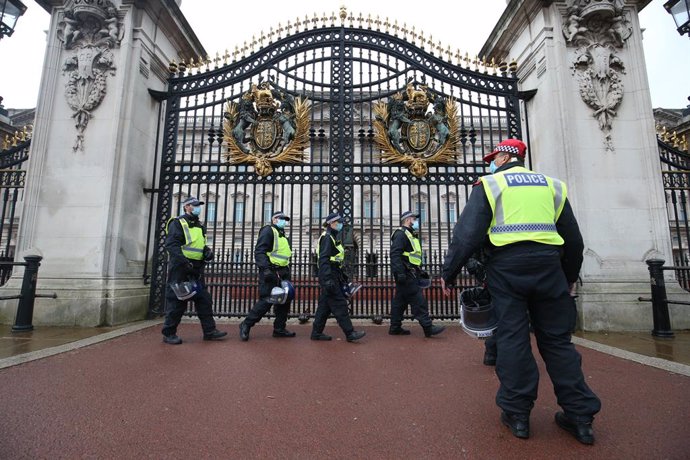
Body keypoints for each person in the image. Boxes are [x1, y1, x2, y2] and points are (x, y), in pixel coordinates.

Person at [440, 139, 601, 444]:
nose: (491, 162)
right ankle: (580, 416)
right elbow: (574, 240)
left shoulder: (490, 184)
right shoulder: (551, 186)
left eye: (493, 157)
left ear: (502, 156)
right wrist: (569, 276)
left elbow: (466, 236)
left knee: (513, 338)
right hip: (549, 268)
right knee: (557, 342)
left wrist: (448, 274)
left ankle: (518, 414)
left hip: (507, 268)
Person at [162, 196, 227, 344]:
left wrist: (207, 251)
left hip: (196, 268)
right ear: (186, 207)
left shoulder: (199, 225)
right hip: (181, 267)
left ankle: (209, 331)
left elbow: (199, 245)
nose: (198, 207)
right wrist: (184, 262)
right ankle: (169, 333)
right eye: (195, 205)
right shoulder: (177, 222)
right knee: (178, 301)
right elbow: (172, 245)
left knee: (204, 299)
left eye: (199, 205)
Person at [239, 211, 297, 341]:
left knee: (284, 302)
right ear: (274, 219)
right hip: (271, 271)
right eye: (282, 219)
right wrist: (265, 269)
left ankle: (279, 329)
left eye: (286, 219)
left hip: (283, 272)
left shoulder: (282, 235)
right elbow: (260, 251)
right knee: (266, 301)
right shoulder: (268, 230)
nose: (284, 222)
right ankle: (246, 324)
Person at [311, 212, 366, 342]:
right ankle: (350, 333)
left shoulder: (333, 237)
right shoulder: (327, 237)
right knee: (340, 304)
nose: (341, 224)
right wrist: (328, 278)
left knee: (324, 307)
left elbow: (334, 259)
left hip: (333, 273)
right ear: (331, 223)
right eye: (339, 222)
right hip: (329, 274)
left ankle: (316, 333)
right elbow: (324, 259)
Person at [389, 211, 445, 337]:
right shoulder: (401, 234)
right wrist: (400, 273)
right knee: (418, 300)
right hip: (406, 274)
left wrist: (419, 270)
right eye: (414, 219)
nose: (416, 221)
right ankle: (428, 327)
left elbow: (411, 256)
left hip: (410, 272)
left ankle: (395, 327)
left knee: (400, 301)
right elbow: (395, 254)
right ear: (408, 220)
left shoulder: (410, 235)